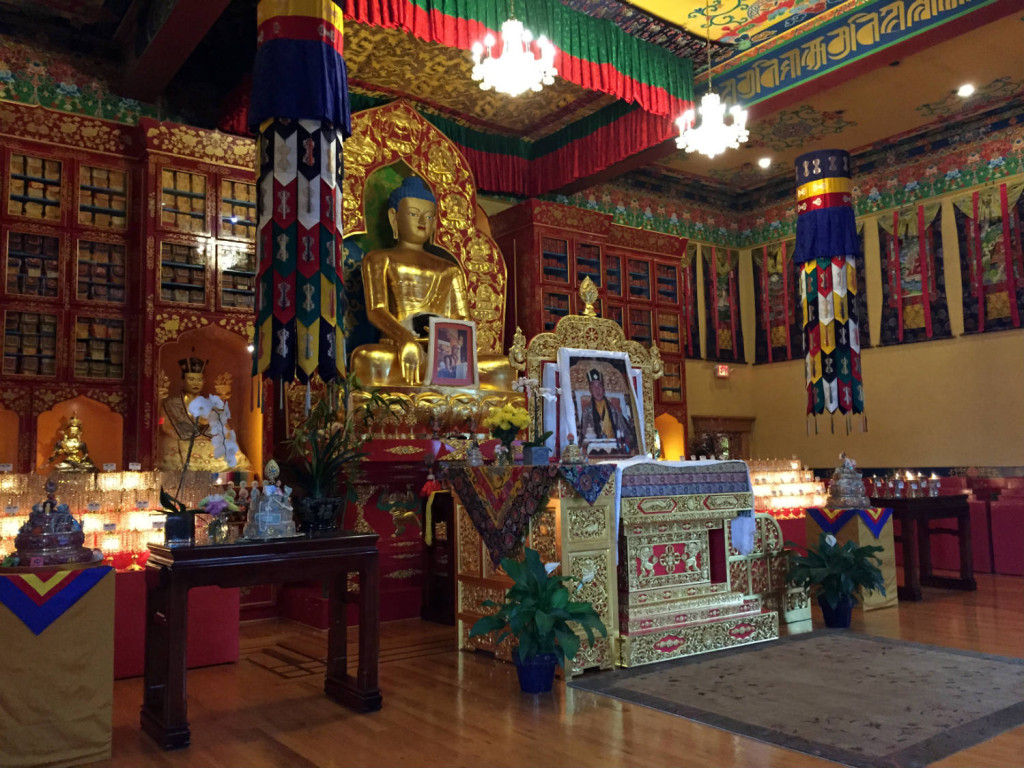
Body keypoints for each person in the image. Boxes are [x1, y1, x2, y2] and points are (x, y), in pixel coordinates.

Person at [349, 176, 510, 389]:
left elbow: (462, 320)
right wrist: (405, 339)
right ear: (394, 218)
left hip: (444, 353)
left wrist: (451, 351)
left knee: (502, 366)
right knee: (366, 357)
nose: (422, 222)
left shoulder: (449, 269)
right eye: (414, 214)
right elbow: (376, 311)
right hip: (399, 349)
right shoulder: (379, 258)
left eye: (429, 216)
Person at [158, 352, 251, 472]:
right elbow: (166, 427)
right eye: (191, 379)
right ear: (182, 381)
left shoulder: (210, 403)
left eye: (199, 380)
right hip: (181, 440)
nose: (196, 383)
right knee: (169, 450)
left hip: (208, 441)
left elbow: (223, 428)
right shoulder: (172, 404)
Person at [578, 368, 637, 454]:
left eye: (599, 386)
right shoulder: (587, 411)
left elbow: (626, 431)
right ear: (590, 390)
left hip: (615, 448)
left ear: (604, 389)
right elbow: (582, 436)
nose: (597, 390)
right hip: (595, 451)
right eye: (593, 387)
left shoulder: (614, 410)